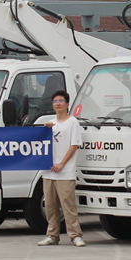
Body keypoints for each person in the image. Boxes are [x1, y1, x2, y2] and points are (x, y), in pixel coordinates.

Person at [37, 89, 85, 247]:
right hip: (48, 172)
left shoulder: (73, 122)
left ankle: (75, 235)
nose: (57, 104)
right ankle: (52, 235)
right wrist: (44, 130)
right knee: (50, 206)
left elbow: (74, 145)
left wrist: (62, 164)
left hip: (65, 172)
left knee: (68, 205)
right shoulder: (50, 123)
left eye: (60, 101)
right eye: (55, 101)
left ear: (67, 104)